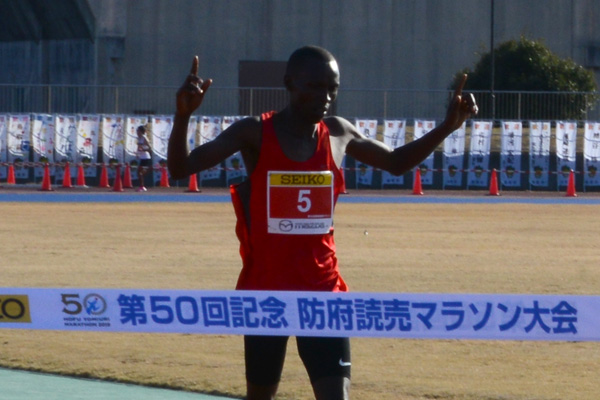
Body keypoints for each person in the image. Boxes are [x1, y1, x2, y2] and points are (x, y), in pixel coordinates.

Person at [168, 45, 477, 400]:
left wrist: (447, 127)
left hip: (323, 294)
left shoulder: (338, 133)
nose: (325, 96)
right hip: (267, 293)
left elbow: (396, 162)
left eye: (332, 88)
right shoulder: (254, 133)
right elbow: (180, 168)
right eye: (315, 86)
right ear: (289, 83)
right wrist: (182, 117)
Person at [136, 125, 152, 192]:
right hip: (142, 158)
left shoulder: (144, 138)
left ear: (141, 131)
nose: (137, 132)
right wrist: (137, 153)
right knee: (139, 173)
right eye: (137, 131)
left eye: (138, 131)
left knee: (141, 173)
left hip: (146, 158)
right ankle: (141, 186)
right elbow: (139, 147)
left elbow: (150, 148)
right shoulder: (139, 138)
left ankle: (142, 187)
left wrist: (143, 149)